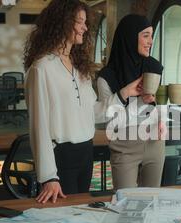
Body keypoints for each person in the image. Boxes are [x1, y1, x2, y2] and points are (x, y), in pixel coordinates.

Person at [24, 0, 131, 203]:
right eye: (79, 21)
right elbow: (39, 126)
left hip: (85, 154)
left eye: (85, 22)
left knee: (80, 213)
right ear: (62, 23)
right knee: (64, 218)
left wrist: (124, 94)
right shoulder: (41, 68)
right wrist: (49, 176)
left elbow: (93, 113)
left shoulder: (78, 68)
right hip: (61, 159)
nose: (85, 27)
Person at [97, 14, 166, 190]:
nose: (151, 41)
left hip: (154, 143)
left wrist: (162, 119)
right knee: (125, 204)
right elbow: (111, 122)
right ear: (129, 37)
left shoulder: (154, 67)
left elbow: (159, 103)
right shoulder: (107, 77)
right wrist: (134, 99)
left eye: (151, 35)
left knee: (152, 201)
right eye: (145, 35)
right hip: (124, 147)